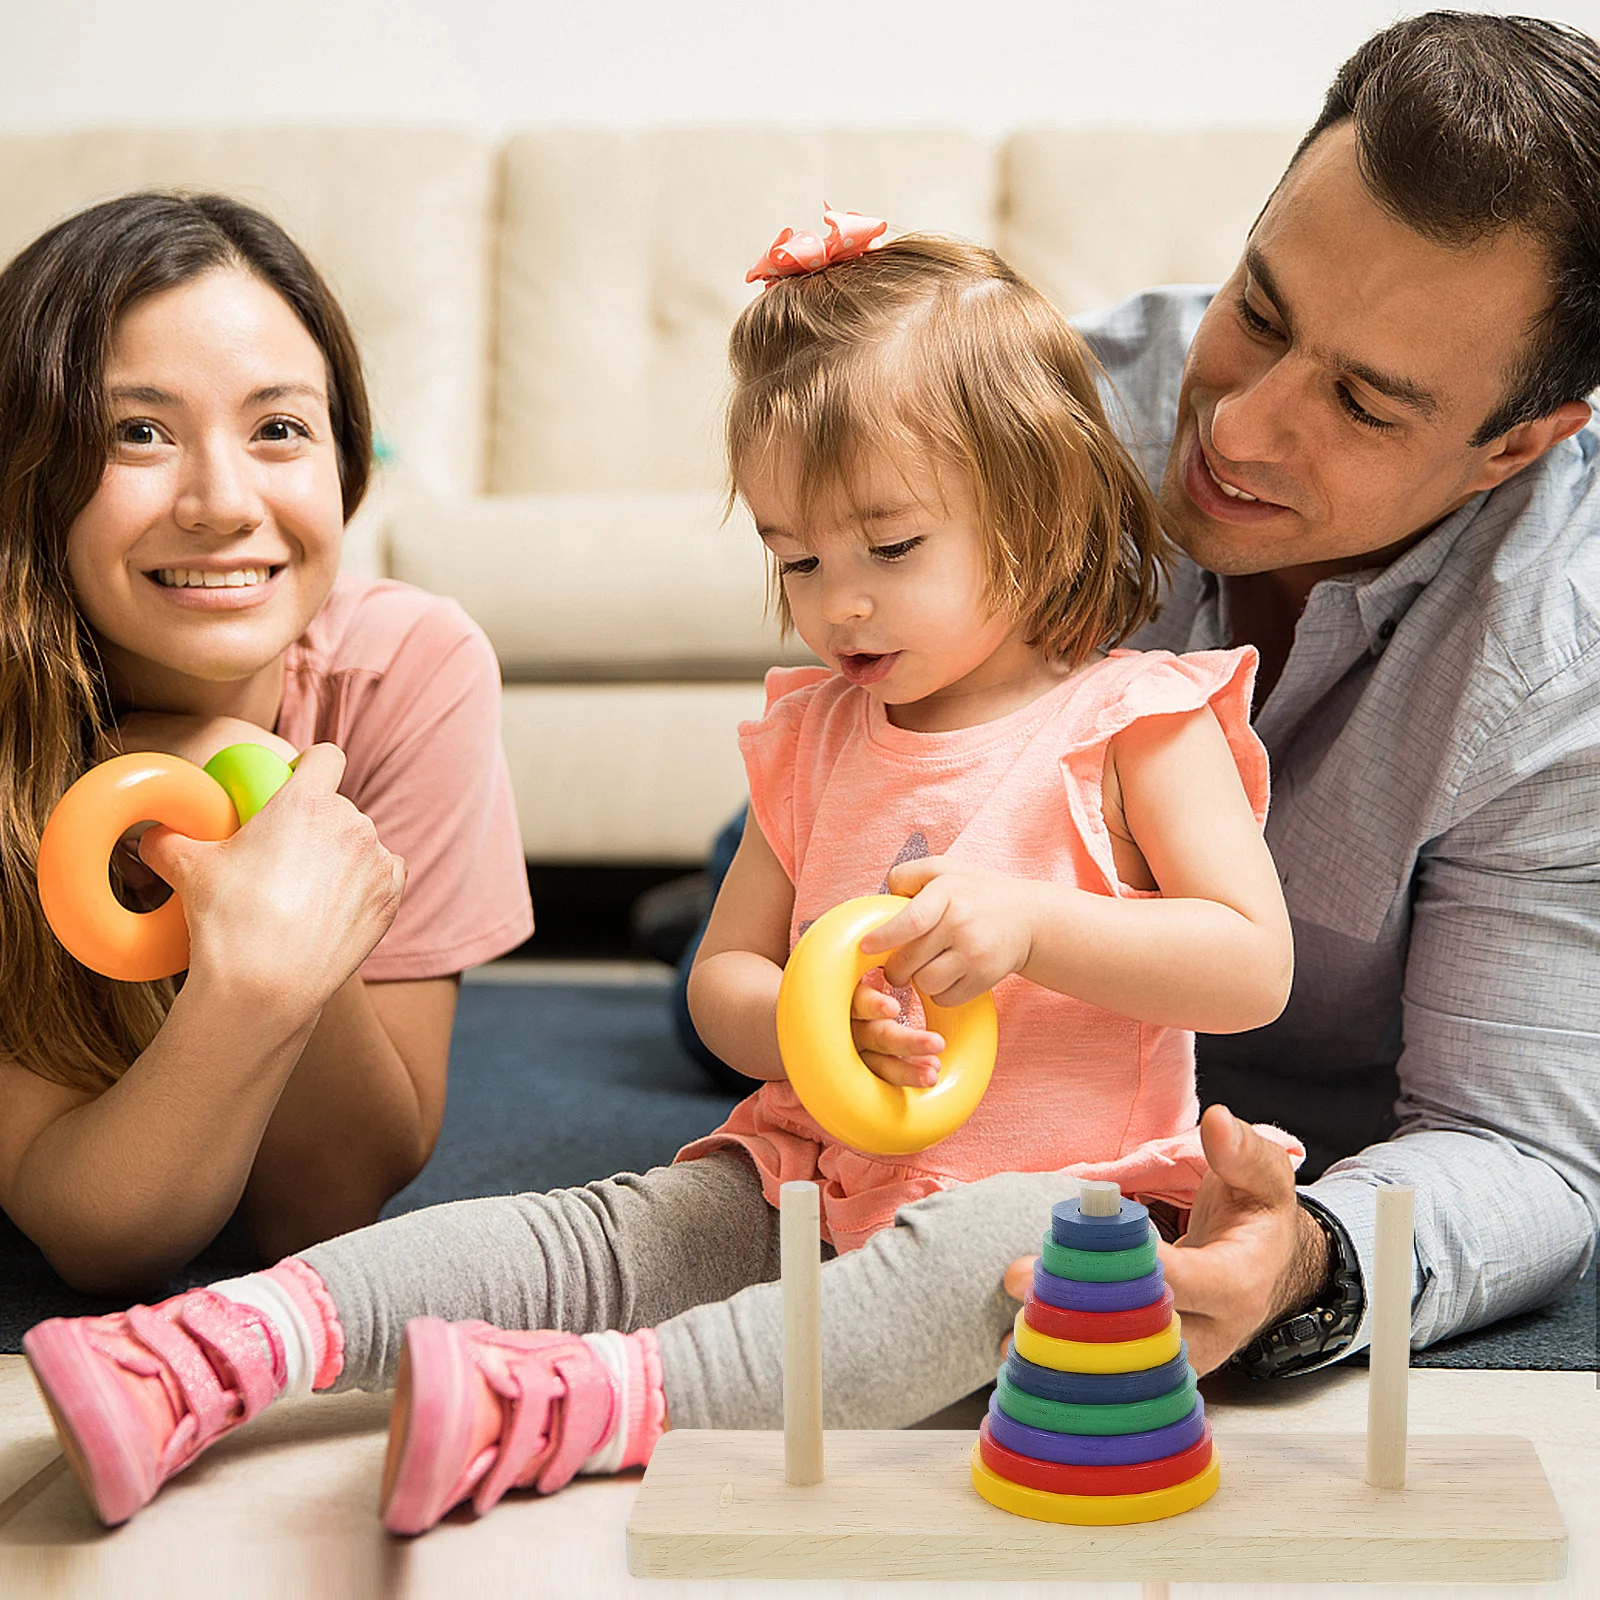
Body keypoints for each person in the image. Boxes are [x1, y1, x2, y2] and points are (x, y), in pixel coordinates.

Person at [23, 219, 1301, 1534]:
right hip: (817, 1168)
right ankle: (218, 1343)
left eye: (889, 549)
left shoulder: (1138, 721)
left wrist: (1033, 925)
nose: (839, 604)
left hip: (1073, 1205)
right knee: (610, 1230)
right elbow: (724, 978)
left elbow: (1251, 965)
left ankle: (581, 1401)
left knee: (996, 1260)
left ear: (1037, 508)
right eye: (797, 557)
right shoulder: (815, 734)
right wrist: (805, 1018)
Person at [0, 193, 533, 1295]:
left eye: (279, 428)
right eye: (137, 432)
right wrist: (251, 977)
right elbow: (94, 1232)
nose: (222, 503)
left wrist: (262, 816)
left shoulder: (408, 666)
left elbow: (322, 1209)